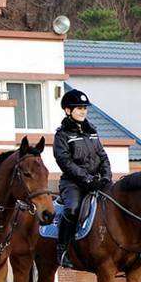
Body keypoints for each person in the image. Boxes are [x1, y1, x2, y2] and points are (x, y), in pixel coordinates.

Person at [53, 88, 111, 268]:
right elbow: (65, 162)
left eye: (84, 108)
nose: (83, 111)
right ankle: (63, 249)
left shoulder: (92, 132)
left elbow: (103, 156)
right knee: (72, 209)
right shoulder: (62, 135)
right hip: (73, 184)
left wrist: (106, 177)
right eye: (79, 108)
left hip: (96, 181)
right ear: (68, 110)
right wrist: (87, 179)